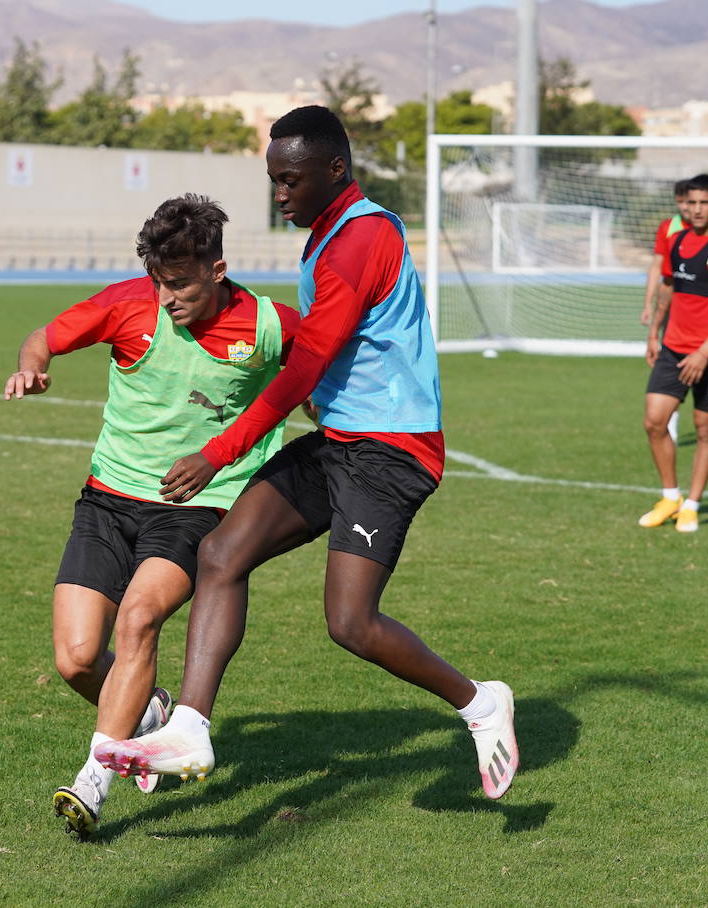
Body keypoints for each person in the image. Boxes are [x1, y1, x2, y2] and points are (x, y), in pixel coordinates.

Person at [95, 105, 519, 802]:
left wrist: (218, 450)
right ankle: (192, 726)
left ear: (335, 170)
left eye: (290, 180)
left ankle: (480, 703)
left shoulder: (359, 239)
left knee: (351, 624)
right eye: (273, 181)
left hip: (393, 451)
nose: (280, 194)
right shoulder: (329, 235)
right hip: (342, 440)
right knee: (222, 554)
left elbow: (307, 359)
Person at [5, 194, 301, 840]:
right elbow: (42, 338)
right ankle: (147, 713)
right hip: (107, 500)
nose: (168, 298)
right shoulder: (126, 304)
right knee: (77, 659)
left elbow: (321, 367)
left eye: (182, 284)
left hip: (196, 507)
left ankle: (93, 780)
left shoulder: (269, 326)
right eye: (160, 283)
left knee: (139, 618)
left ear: (217, 270)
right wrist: (33, 367)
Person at [638, 173, 708, 534]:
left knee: (704, 429)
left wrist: (704, 352)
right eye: (691, 203)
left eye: (704, 203)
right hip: (673, 348)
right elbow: (668, 287)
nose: (696, 210)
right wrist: (655, 331)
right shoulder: (677, 240)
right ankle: (670, 496)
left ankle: (693, 505)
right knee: (655, 421)